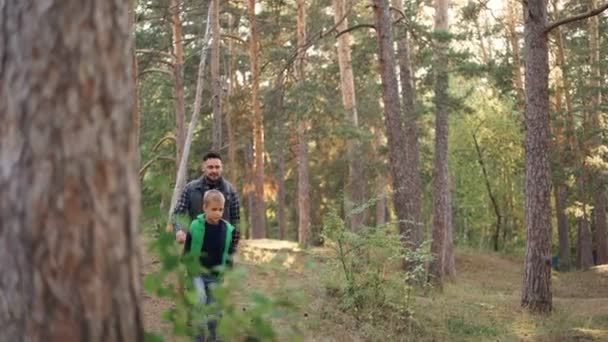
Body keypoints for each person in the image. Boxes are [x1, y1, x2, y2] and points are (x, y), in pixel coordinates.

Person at [183, 190, 238, 342]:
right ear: (205, 208)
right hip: (198, 273)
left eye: (220, 209)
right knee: (200, 300)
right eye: (214, 209)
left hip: (216, 277)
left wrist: (228, 273)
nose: (218, 213)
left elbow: (229, 254)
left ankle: (214, 337)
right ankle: (199, 338)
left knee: (215, 309)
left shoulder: (227, 230)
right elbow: (187, 248)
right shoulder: (195, 226)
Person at [173, 151, 240, 246]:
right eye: (210, 167)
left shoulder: (230, 191)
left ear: (222, 168)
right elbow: (178, 213)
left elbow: (236, 221)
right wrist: (179, 231)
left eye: (217, 167)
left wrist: (233, 247)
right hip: (195, 244)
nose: (214, 171)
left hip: (221, 245)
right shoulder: (190, 188)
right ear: (203, 168)